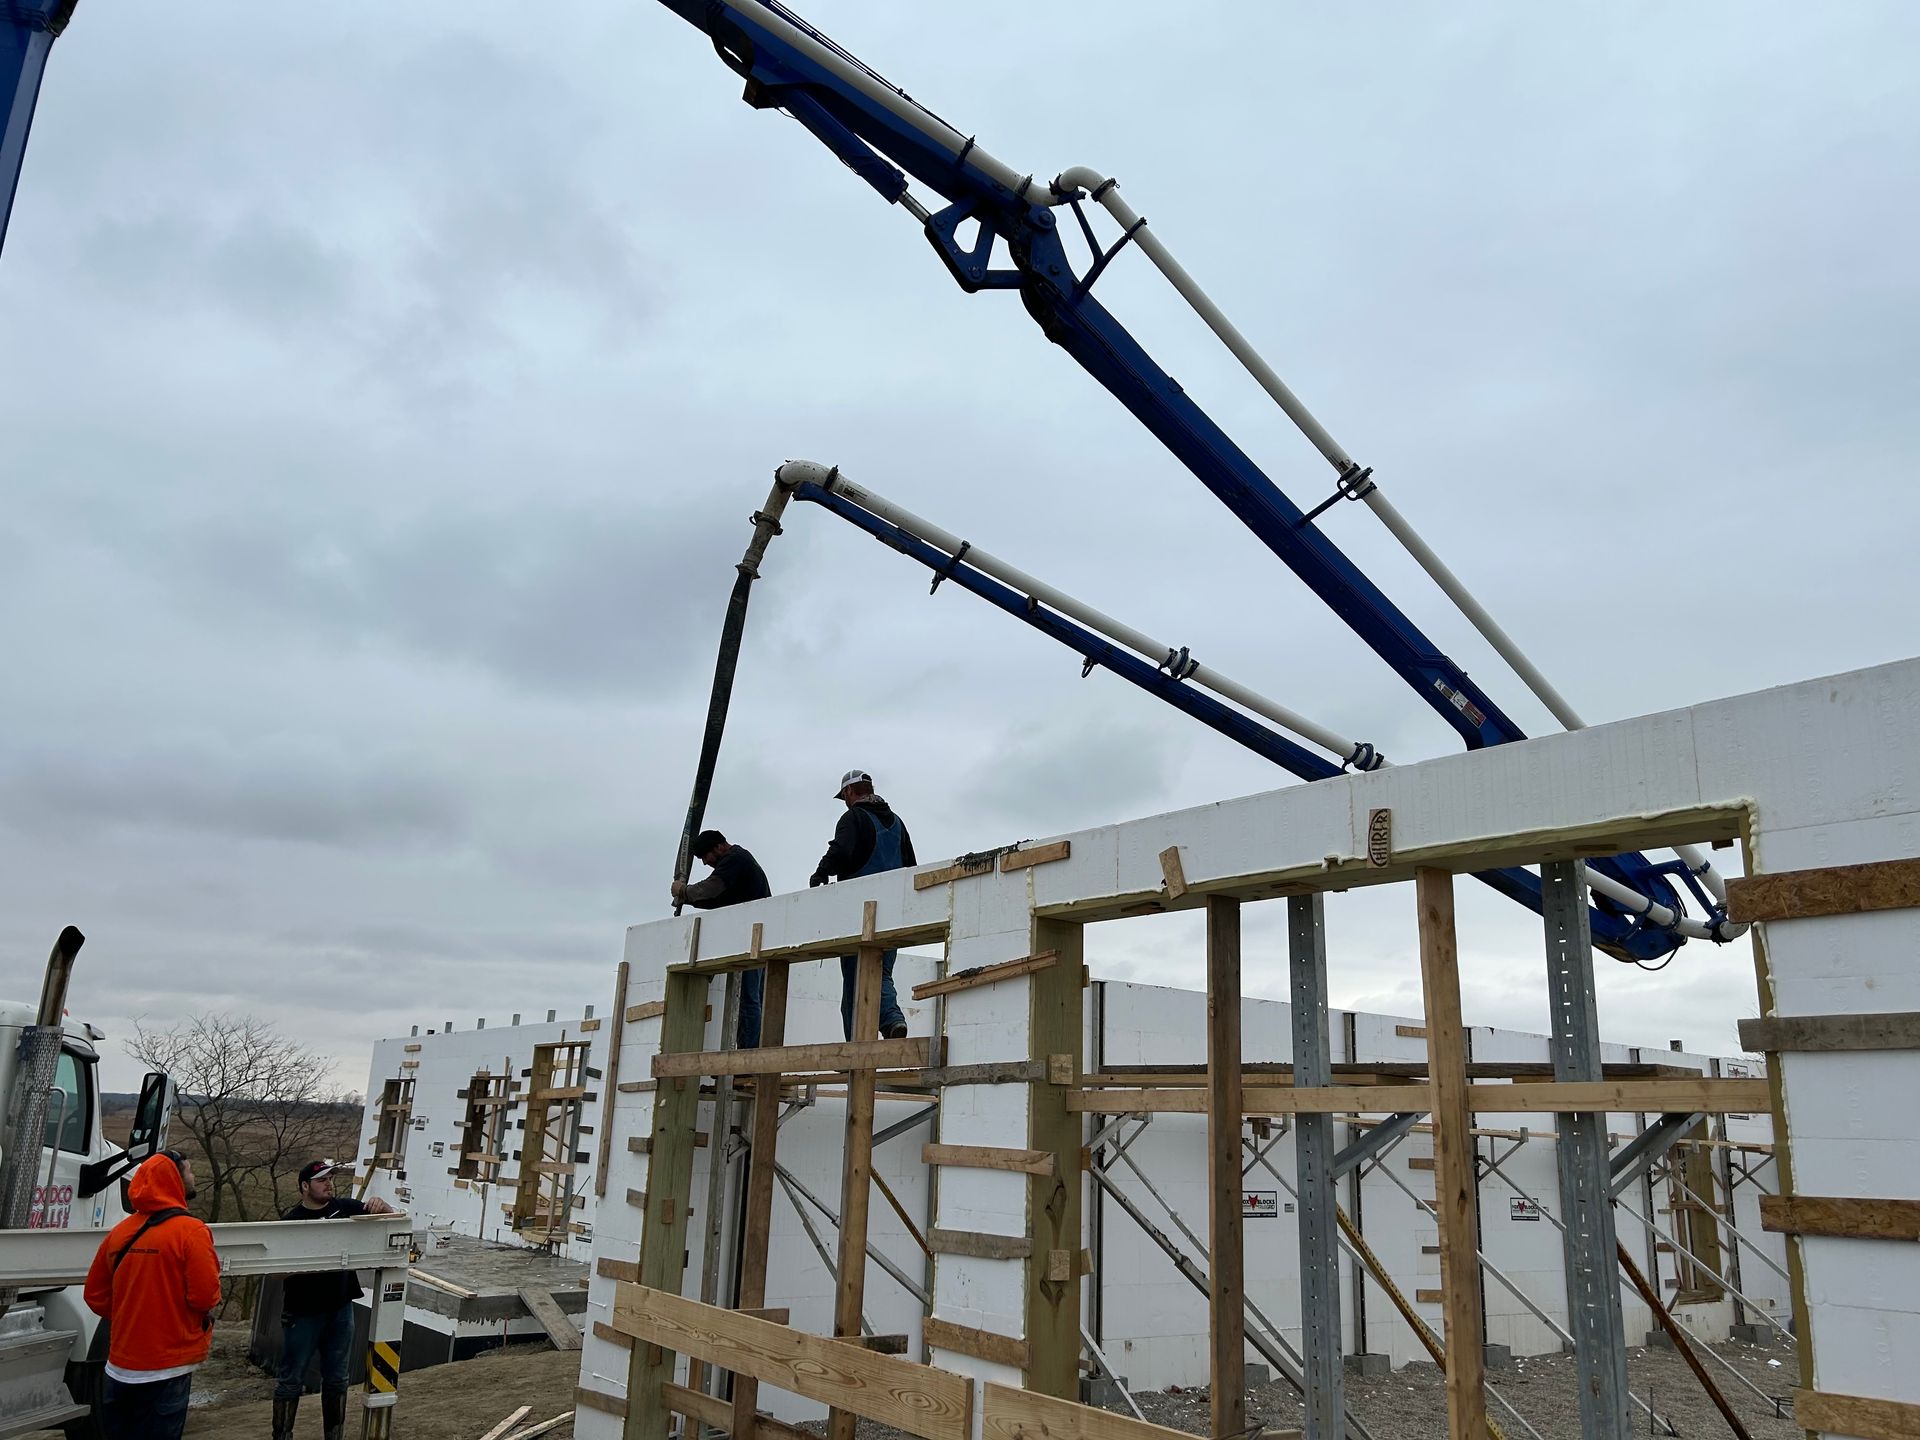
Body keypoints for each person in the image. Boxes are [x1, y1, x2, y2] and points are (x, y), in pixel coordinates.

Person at [83, 1148, 221, 1440]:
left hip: (118, 1368)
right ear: (174, 1179)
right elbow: (204, 1298)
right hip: (168, 1369)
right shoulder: (191, 1231)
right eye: (188, 1170)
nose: (193, 1176)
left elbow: (95, 1295)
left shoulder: (119, 1233)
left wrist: (133, 1314)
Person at [275, 1160, 394, 1440]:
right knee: (291, 1380)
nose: (329, 1184)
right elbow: (275, 1273)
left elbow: (396, 1221)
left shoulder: (346, 1209)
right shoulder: (290, 1223)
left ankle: (334, 1434)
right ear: (305, 1187)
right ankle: (281, 1435)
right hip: (302, 1313)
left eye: (330, 1179)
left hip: (340, 1309)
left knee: (338, 1378)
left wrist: (384, 1206)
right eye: (321, 1180)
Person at [809, 769, 914, 1040]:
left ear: (848, 793)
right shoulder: (898, 823)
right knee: (882, 974)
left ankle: (860, 1047)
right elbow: (911, 867)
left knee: (856, 984)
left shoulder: (852, 817)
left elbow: (841, 849)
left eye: (843, 796)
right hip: (893, 912)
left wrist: (822, 872)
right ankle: (891, 1021)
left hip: (859, 912)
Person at [671, 829, 771, 1046]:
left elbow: (710, 889)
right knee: (750, 998)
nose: (706, 864)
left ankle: (747, 1057)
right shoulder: (738, 863)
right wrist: (687, 898)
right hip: (756, 938)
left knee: (749, 999)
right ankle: (746, 1054)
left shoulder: (735, 859)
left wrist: (683, 891)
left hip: (756, 940)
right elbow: (717, 899)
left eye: (704, 857)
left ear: (718, 847)